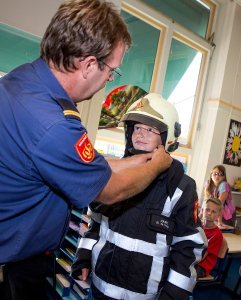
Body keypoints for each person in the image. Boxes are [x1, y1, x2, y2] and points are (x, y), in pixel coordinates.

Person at [0, 1, 172, 299]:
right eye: (112, 71)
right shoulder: (54, 124)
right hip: (14, 264)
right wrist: (157, 165)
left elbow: (82, 163)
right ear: (90, 64)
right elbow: (109, 190)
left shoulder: (24, 79)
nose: (109, 79)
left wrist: (135, 161)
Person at [71, 93, 206, 300]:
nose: (140, 134)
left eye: (150, 129)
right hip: (99, 290)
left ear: (167, 138)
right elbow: (95, 224)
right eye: (137, 128)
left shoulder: (182, 187)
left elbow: (189, 246)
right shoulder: (115, 174)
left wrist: (173, 294)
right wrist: (83, 256)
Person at [195, 197, 224, 278]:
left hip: (201, 267)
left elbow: (201, 257)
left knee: (179, 268)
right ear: (202, 210)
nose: (209, 213)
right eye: (207, 209)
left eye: (213, 212)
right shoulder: (197, 226)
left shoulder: (217, 235)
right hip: (192, 259)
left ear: (218, 215)